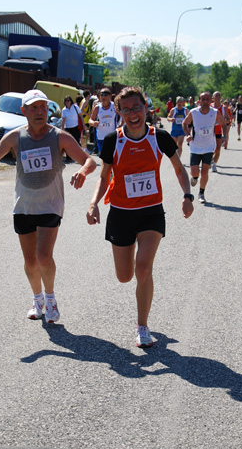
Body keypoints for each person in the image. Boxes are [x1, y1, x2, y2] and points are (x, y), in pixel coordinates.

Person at [0, 89, 96, 323]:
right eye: (34, 108)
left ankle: (50, 298)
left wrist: (82, 170)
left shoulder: (60, 137)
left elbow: (89, 160)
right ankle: (37, 300)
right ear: (23, 111)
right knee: (30, 261)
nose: (39, 112)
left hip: (50, 204)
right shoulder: (15, 137)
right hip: (24, 206)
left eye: (43, 107)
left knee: (44, 256)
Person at [86, 86, 194, 348]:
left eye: (137, 108)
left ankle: (142, 325)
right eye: (126, 110)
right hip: (121, 213)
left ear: (146, 108)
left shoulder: (160, 137)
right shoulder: (113, 140)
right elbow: (104, 177)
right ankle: (138, 289)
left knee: (143, 268)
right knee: (124, 276)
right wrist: (93, 203)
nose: (132, 114)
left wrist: (187, 195)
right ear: (119, 113)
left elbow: (179, 169)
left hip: (150, 213)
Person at [182, 91, 228, 204]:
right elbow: (184, 123)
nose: (206, 101)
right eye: (203, 99)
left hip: (209, 146)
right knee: (194, 172)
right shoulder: (194, 112)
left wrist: (224, 136)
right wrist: (188, 135)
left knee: (205, 171)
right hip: (195, 146)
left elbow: (224, 124)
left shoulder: (215, 112)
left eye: (208, 99)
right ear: (199, 101)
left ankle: (201, 193)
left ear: (210, 100)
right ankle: (195, 178)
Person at [89, 88, 118, 156]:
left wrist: (121, 124)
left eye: (105, 94)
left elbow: (123, 116)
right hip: (101, 136)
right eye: (101, 95)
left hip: (112, 136)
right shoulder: (97, 107)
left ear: (110, 96)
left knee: (112, 156)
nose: (103, 97)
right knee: (103, 156)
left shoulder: (114, 106)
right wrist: (93, 123)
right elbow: (90, 120)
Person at [210, 91, 231, 171]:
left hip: (218, 130)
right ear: (213, 98)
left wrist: (222, 120)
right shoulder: (209, 107)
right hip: (210, 130)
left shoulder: (224, 108)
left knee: (218, 148)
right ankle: (210, 159)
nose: (218, 97)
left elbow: (226, 120)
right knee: (210, 148)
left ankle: (214, 164)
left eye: (219, 95)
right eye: (216, 95)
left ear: (221, 98)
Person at [61, 95, 83, 160]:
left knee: (77, 142)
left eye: (68, 100)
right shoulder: (64, 110)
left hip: (76, 127)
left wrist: (83, 124)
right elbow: (63, 120)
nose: (67, 102)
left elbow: (81, 116)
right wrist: (62, 129)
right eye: (66, 101)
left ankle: (79, 156)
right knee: (68, 144)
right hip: (68, 128)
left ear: (71, 101)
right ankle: (69, 157)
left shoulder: (75, 107)